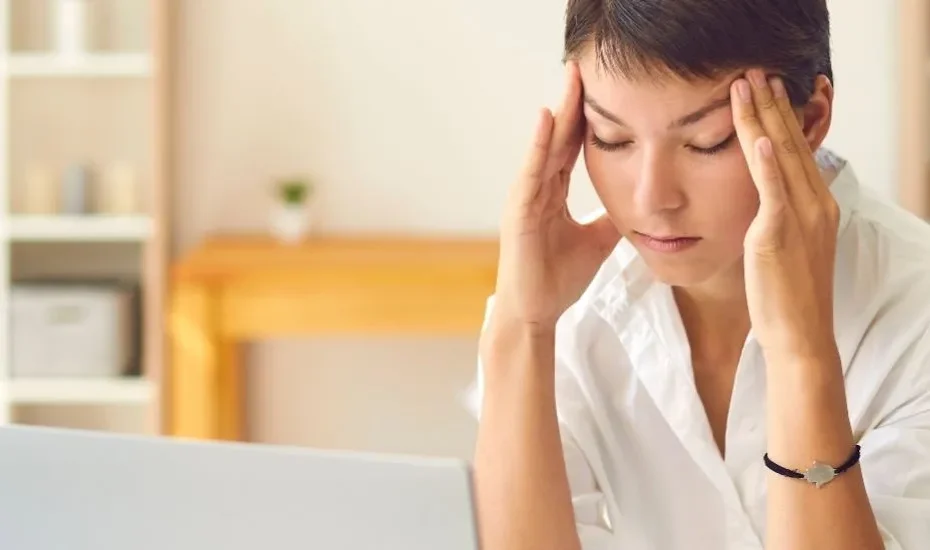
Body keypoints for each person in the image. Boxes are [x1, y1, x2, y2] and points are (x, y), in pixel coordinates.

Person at [467, 1, 930, 549]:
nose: (651, 198)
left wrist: (801, 355)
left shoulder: (913, 309)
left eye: (706, 142)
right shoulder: (571, 306)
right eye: (611, 139)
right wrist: (523, 326)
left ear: (807, 122)